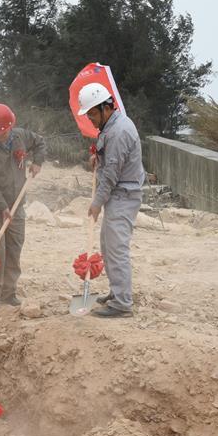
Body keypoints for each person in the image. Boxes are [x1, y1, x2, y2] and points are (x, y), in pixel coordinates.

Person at [76, 83, 145, 318]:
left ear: (106, 108)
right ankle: (116, 292)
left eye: (93, 114)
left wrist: (97, 203)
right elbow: (110, 161)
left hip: (123, 195)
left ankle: (122, 303)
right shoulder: (111, 126)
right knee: (107, 245)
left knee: (116, 250)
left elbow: (111, 176)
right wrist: (98, 158)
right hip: (118, 194)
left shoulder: (118, 132)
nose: (91, 119)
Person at [0, 104, 45, 309]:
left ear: (10, 126)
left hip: (16, 204)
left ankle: (8, 292)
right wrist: (2, 206)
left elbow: (40, 143)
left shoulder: (21, 136)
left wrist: (37, 162)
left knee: (14, 247)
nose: (0, 136)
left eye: (3, 132)